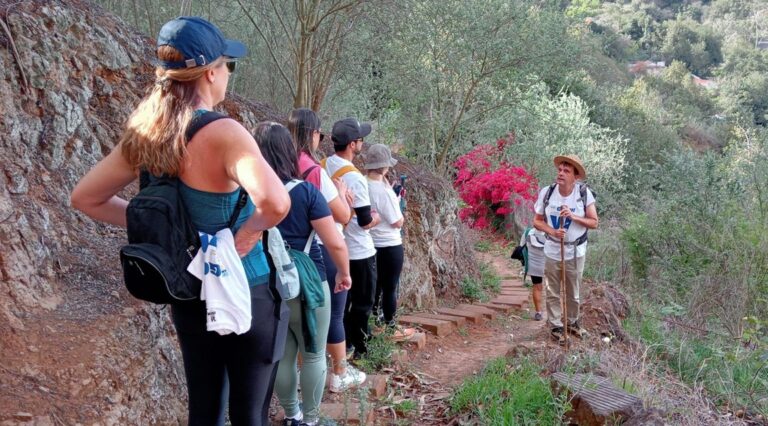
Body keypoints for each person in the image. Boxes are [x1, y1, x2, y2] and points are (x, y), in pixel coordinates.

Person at [70, 17, 291, 425]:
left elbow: (86, 198)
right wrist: (245, 235)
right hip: (248, 291)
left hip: (190, 292)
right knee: (250, 416)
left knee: (204, 414)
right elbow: (276, 204)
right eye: (229, 65)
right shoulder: (226, 133)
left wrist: (166, 231)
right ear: (210, 72)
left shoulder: (147, 131)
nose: (228, 74)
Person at [254, 122, 352, 426]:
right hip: (309, 281)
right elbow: (335, 241)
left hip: (267, 284)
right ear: (289, 151)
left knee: (283, 354)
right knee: (312, 354)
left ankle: (292, 415)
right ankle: (310, 420)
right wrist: (344, 274)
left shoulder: (249, 191)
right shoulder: (307, 192)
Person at [287, 108, 366, 393]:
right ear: (312, 134)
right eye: (319, 134)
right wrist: (343, 194)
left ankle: (295, 377)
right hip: (318, 250)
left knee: (293, 320)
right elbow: (343, 216)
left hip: (284, 252)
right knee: (332, 315)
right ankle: (339, 373)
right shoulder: (313, 170)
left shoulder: (279, 163)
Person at [322, 118, 380, 360]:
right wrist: (376, 217)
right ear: (353, 144)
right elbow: (366, 221)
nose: (362, 144)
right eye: (360, 140)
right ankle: (359, 348)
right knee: (363, 302)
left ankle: (342, 345)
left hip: (333, 248)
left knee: (340, 305)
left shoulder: (323, 166)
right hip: (359, 249)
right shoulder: (355, 177)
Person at [533, 155, 598, 344]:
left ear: (575, 177)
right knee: (553, 289)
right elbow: (537, 221)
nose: (560, 173)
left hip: (576, 251)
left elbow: (594, 222)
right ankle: (555, 326)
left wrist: (574, 216)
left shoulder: (584, 194)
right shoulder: (547, 193)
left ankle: (572, 322)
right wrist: (552, 231)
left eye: (566, 171)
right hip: (552, 249)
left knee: (573, 290)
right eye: (560, 170)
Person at [363, 144, 412, 340]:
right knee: (390, 287)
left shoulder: (363, 182)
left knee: (375, 287)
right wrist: (398, 203)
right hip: (389, 245)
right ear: (384, 166)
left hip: (370, 244)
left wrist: (392, 191)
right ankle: (391, 326)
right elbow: (396, 221)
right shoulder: (383, 192)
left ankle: (375, 323)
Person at [519, 228, 547, 321]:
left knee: (537, 287)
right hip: (549, 263)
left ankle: (538, 312)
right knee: (554, 288)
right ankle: (555, 314)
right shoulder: (551, 232)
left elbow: (521, 246)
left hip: (533, 264)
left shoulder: (527, 232)